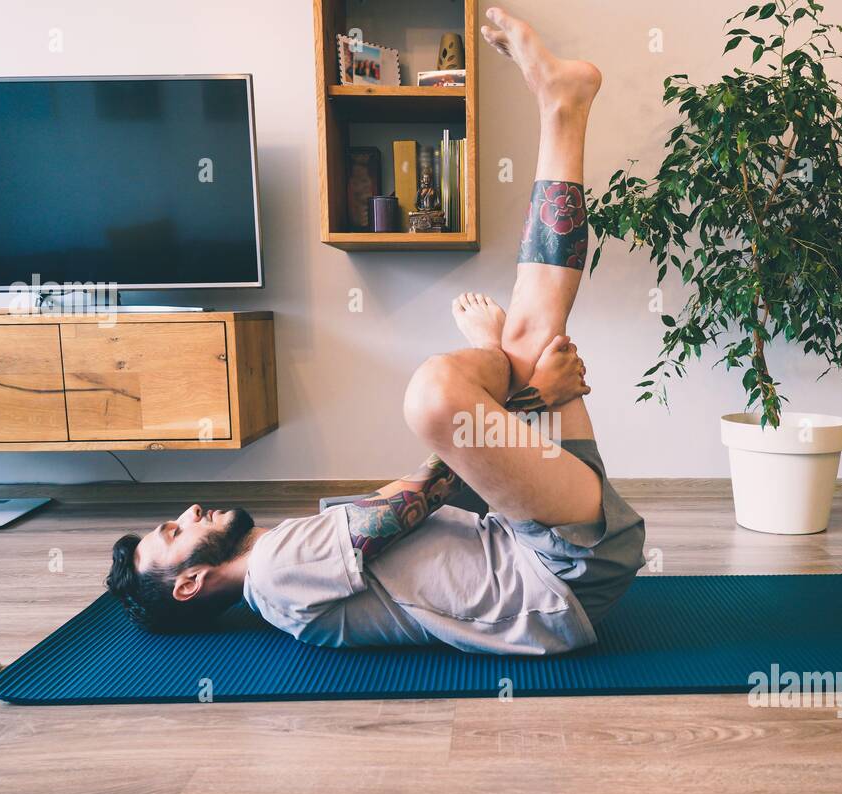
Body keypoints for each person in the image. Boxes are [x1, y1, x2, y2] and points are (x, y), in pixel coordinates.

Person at [106, 8, 645, 654]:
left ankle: (563, 109)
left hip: (554, 555)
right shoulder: (276, 573)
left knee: (527, 340)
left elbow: (425, 494)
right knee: (433, 397)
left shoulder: (286, 573)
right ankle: (505, 340)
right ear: (190, 583)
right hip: (559, 574)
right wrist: (513, 389)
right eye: (173, 532)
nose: (188, 513)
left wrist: (528, 398)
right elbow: (422, 493)